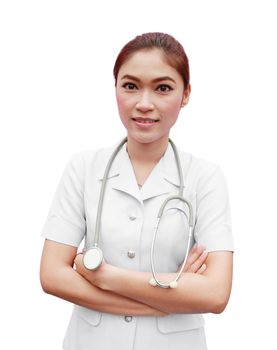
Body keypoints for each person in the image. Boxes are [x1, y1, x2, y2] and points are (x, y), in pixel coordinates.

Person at [40, 32, 234, 350]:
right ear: (115, 87)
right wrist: (172, 293)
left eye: (162, 88)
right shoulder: (84, 168)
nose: (144, 104)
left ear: (186, 94)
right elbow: (51, 275)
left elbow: (215, 295)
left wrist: (103, 276)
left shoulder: (205, 177)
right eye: (130, 86)